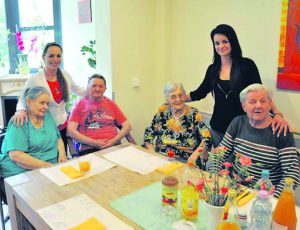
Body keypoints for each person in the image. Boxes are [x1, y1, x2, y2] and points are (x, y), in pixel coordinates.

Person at [186, 24, 289, 147]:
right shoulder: (212, 69)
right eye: (217, 43)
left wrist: (277, 113)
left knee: (241, 165)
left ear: (232, 42)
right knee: (221, 165)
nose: (221, 46)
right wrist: (176, 99)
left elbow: (259, 93)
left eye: (225, 41)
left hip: (243, 129)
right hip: (218, 129)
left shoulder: (247, 65)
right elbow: (199, 93)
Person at [212, 84, 299, 197]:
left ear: (269, 105)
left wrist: (273, 200)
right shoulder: (237, 123)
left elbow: (292, 174)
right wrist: (213, 180)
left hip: (267, 196)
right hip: (236, 190)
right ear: (244, 107)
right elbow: (218, 155)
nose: (258, 106)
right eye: (252, 102)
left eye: (263, 101)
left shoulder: (281, 131)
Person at [13, 42, 85, 151]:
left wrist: (94, 91)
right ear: (43, 57)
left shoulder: (65, 75)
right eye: (51, 55)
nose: (55, 59)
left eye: (58, 56)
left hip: (62, 126)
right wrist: (21, 110)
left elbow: (78, 90)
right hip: (44, 127)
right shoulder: (35, 79)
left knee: (61, 157)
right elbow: (22, 99)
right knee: (47, 158)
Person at [0, 86, 67, 179]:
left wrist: (62, 154)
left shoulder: (46, 115)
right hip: (21, 173)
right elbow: (16, 155)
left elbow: (58, 138)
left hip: (50, 169)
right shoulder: (19, 120)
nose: (46, 107)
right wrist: (48, 167)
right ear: (28, 102)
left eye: (47, 103)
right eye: (42, 103)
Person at [144, 82, 212, 167]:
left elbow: (207, 137)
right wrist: (152, 152)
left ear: (184, 96)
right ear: (167, 99)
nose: (178, 99)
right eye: (173, 97)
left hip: (187, 161)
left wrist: (195, 155)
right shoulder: (162, 113)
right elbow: (148, 135)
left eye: (181, 95)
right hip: (163, 159)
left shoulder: (193, 114)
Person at [67, 74, 132, 155]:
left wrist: (113, 141)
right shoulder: (79, 105)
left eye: (101, 86)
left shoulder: (111, 103)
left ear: (105, 89)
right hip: (89, 149)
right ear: (88, 88)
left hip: (113, 147)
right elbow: (70, 131)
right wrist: (94, 143)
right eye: (94, 86)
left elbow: (127, 126)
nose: (97, 89)